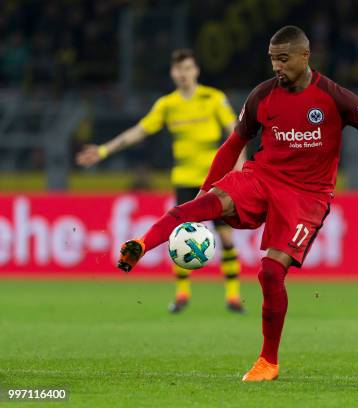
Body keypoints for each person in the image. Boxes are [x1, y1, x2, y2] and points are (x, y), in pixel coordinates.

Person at [116, 26, 358, 381]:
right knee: (203, 205)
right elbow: (233, 146)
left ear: (304, 57)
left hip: (307, 196)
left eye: (283, 59)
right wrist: (206, 190)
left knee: (270, 273)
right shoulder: (261, 96)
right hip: (263, 177)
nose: (276, 67)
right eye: (272, 59)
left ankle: (268, 362)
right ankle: (142, 244)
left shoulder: (335, 97)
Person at [76, 49, 246, 314]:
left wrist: (241, 169)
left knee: (226, 237)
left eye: (188, 68)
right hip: (184, 178)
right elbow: (138, 132)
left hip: (215, 180)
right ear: (172, 73)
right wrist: (103, 150)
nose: (184, 74)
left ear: (196, 70)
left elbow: (236, 135)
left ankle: (233, 297)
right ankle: (181, 295)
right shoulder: (168, 104)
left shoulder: (214, 98)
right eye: (179, 70)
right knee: (178, 238)